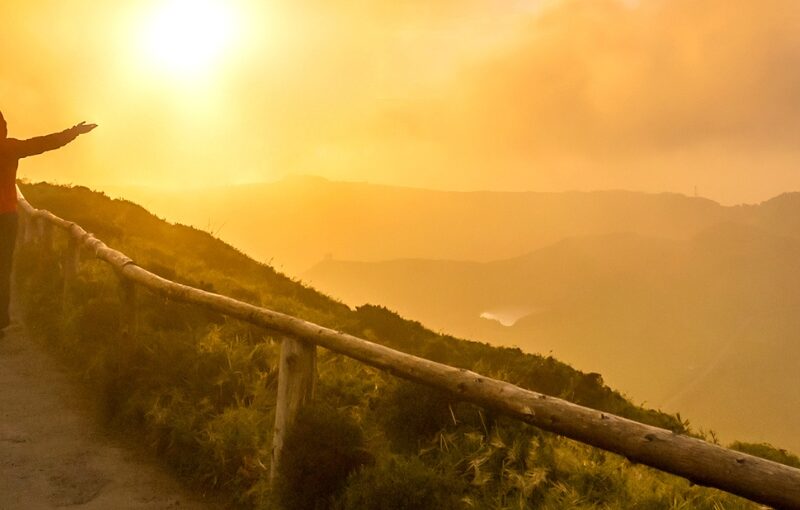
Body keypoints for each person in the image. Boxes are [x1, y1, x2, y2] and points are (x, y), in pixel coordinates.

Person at [0, 111, 97, 333]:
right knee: (3, 269)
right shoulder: (10, 148)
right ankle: (0, 321)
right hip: (6, 216)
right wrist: (74, 132)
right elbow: (43, 143)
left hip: (6, 217)